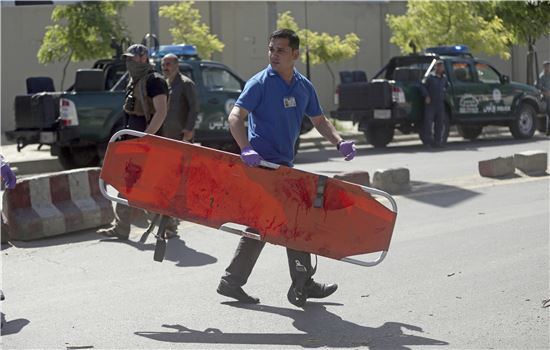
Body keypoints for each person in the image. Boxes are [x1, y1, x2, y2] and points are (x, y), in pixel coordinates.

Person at [216, 29, 356, 307]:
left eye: (280, 50)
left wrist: (339, 142)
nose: (274, 55)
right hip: (262, 166)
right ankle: (301, 284)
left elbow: (319, 120)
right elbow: (235, 117)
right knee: (293, 221)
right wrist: (245, 148)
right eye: (271, 49)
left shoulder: (303, 87)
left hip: (284, 166)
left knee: (262, 226)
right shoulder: (260, 83)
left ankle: (232, 282)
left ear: (295, 54)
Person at [98, 44, 169, 240]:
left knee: (147, 186)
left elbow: (161, 112)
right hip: (132, 143)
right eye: (127, 58)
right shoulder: (134, 80)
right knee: (126, 184)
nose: (129, 62)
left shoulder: (155, 81)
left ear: (143, 58)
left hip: (147, 144)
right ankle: (121, 228)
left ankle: (167, 226)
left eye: (132, 58)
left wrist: (146, 137)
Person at [159, 53, 200, 237]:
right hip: (167, 139)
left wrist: (189, 129)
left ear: (176, 65)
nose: (164, 67)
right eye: (162, 64)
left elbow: (194, 107)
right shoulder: (165, 84)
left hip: (181, 139)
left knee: (176, 182)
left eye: (168, 64)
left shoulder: (185, 83)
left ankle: (172, 223)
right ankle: (169, 220)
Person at [421, 60, 449, 147]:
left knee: (439, 123)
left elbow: (447, 87)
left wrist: (444, 94)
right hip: (431, 104)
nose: (440, 68)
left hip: (440, 103)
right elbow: (422, 86)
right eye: (438, 66)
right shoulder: (430, 77)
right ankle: (428, 142)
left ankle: (437, 142)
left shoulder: (444, 78)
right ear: (435, 67)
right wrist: (426, 96)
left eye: (441, 67)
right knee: (428, 123)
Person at [536, 60, 550, 131]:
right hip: (545, 98)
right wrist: (544, 92)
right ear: (544, 67)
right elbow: (537, 87)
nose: (547, 68)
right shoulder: (541, 77)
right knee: (547, 114)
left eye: (548, 66)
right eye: (546, 66)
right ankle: (547, 130)